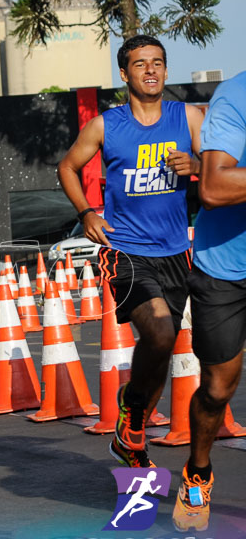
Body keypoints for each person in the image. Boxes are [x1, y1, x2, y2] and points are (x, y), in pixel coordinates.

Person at [58, 34, 203, 468]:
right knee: (158, 331)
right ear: (125, 74)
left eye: (158, 62)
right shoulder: (107, 125)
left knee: (161, 350)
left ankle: (131, 430)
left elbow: (224, 164)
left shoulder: (189, 117)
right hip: (124, 250)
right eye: (141, 64)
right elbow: (67, 166)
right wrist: (86, 212)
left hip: (177, 252)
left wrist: (197, 167)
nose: (151, 70)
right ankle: (133, 410)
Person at [172, 71, 246, 532]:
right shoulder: (236, 96)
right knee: (219, 387)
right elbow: (215, 188)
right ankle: (198, 471)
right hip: (226, 267)